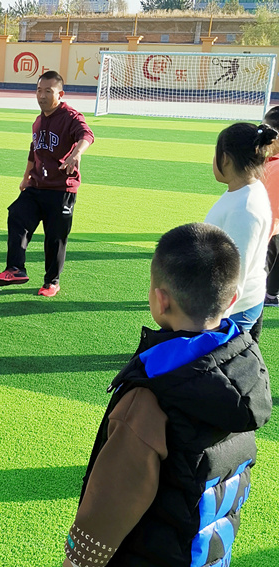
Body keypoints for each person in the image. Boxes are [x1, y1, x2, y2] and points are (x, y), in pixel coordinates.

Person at [62, 222, 271, 567]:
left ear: (160, 300)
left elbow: (111, 504)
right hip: (206, 554)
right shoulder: (244, 370)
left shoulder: (153, 393)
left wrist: (79, 559)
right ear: (232, 299)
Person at [0, 71, 93, 297]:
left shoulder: (71, 116)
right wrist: (26, 177)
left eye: (48, 91)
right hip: (37, 185)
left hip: (62, 188)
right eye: (39, 90)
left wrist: (76, 154)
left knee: (55, 237)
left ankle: (52, 282)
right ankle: (15, 269)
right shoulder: (38, 121)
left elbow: (87, 135)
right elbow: (33, 150)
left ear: (60, 94)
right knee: (17, 214)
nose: (42, 95)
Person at [205, 122, 275, 339]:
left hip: (234, 311)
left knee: (221, 368)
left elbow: (236, 273)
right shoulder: (244, 190)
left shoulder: (246, 208)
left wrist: (212, 321)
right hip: (232, 305)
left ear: (225, 158)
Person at [261, 106, 279, 309]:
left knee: (261, 268)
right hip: (272, 226)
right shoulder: (269, 160)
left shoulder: (272, 165)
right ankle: (272, 295)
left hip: (270, 229)